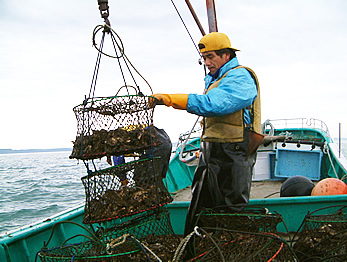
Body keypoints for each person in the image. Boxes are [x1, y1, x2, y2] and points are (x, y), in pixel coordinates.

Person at [153, 32, 261, 237]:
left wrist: (169, 99)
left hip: (234, 151)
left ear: (226, 55)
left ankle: (228, 247)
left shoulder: (240, 77)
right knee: (201, 201)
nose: (206, 62)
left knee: (231, 206)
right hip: (212, 150)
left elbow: (214, 104)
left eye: (211, 57)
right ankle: (198, 246)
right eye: (203, 58)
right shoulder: (217, 79)